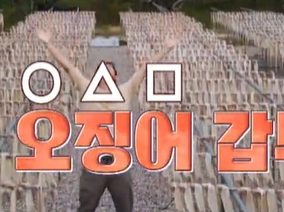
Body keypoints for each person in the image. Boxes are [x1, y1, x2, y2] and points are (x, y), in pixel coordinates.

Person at [35, 28, 179, 212]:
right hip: (92, 162)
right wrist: (48, 44)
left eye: (108, 70)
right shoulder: (86, 88)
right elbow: (68, 66)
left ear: (115, 76)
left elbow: (146, 69)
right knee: (86, 207)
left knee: (125, 207)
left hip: (120, 163)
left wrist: (166, 49)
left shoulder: (126, 90)